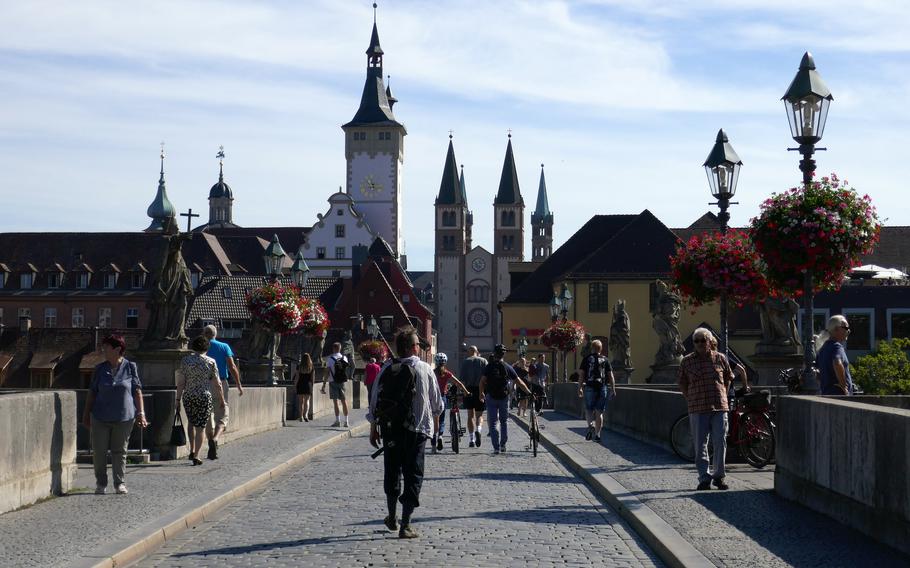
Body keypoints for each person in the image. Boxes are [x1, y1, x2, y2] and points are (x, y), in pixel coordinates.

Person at [368, 327, 443, 539]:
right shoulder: (425, 369)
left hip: (391, 431)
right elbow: (437, 403)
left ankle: (391, 516)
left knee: (392, 472)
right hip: (417, 431)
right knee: (413, 475)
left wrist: (374, 428)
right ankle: (406, 524)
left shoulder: (386, 369)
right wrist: (435, 425)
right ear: (413, 347)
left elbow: (374, 401)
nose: (419, 348)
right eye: (418, 345)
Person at [82, 335, 148, 495]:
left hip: (124, 417)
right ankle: (101, 483)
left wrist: (141, 413)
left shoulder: (130, 367)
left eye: (106, 347)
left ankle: (119, 483)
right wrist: (86, 415)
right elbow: (92, 393)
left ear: (117, 349)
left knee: (119, 451)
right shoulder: (100, 369)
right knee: (99, 451)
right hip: (100, 416)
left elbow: (137, 391)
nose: (103, 350)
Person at [678, 327, 734, 491]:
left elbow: (728, 378)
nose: (700, 343)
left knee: (720, 442)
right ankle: (704, 478)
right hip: (697, 406)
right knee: (700, 444)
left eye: (703, 340)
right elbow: (681, 382)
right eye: (697, 341)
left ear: (710, 342)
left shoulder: (720, 358)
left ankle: (719, 476)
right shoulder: (687, 361)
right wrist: (689, 397)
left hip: (719, 406)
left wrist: (723, 391)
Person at [176, 335, 226, 466]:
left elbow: (181, 382)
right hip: (204, 396)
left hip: (189, 396)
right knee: (201, 427)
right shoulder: (210, 362)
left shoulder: (185, 361)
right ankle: (197, 455)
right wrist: (221, 399)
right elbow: (217, 383)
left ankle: (191, 450)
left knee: (191, 422)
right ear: (206, 348)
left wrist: (177, 399)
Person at [202, 324, 243, 460]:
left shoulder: (201, 348)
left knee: (208, 414)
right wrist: (238, 384)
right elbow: (232, 366)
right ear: (215, 334)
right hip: (221, 382)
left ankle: (210, 443)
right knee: (222, 415)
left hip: (204, 383)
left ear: (204, 334)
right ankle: (215, 438)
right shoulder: (224, 347)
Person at [479, 344, 530, 454]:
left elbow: (482, 381)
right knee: (504, 422)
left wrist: (481, 393)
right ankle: (503, 444)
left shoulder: (489, 366)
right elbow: (519, 382)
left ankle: (496, 447)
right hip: (503, 397)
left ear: (494, 353)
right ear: (504, 354)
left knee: (492, 423)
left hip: (491, 396)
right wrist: (529, 392)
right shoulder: (507, 367)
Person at [577, 339, 616, 443]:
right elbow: (610, 376)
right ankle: (598, 435)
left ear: (592, 348)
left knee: (589, 410)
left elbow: (581, 375)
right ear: (601, 349)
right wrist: (613, 388)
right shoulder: (605, 360)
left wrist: (580, 387)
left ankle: (590, 426)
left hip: (590, 387)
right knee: (599, 412)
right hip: (602, 387)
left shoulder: (586, 359)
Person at [431, 353, 470, 453]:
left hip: (433, 398)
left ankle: (433, 446)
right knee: (442, 420)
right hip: (442, 398)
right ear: (445, 362)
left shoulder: (432, 373)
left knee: (433, 421)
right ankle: (440, 436)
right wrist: (466, 392)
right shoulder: (447, 373)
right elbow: (458, 383)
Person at [815, 315, 855, 395]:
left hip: (826, 394)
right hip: (839, 395)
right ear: (836, 329)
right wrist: (844, 386)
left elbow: (817, 373)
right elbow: (837, 362)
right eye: (846, 328)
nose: (849, 331)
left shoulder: (823, 349)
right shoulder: (837, 346)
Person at [459, 346, 488, 447]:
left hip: (468, 390)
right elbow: (487, 378)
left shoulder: (465, 361)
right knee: (479, 415)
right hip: (480, 390)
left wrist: (462, 391)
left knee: (470, 415)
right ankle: (478, 430)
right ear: (477, 351)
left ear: (469, 352)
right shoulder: (484, 361)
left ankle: (472, 439)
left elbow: (461, 379)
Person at [321, 342, 350, 428]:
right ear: (340, 348)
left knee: (335, 402)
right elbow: (346, 369)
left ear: (333, 349)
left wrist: (324, 384)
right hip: (342, 382)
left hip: (333, 381)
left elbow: (327, 372)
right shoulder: (344, 358)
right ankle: (346, 421)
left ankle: (337, 421)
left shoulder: (330, 359)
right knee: (344, 401)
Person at [295, 353, 315, 422]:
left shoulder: (299, 366)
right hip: (308, 385)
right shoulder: (311, 366)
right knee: (307, 401)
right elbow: (312, 378)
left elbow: (297, 377)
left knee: (301, 402)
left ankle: (301, 416)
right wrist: (312, 385)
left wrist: (295, 385)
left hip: (300, 384)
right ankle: (305, 415)